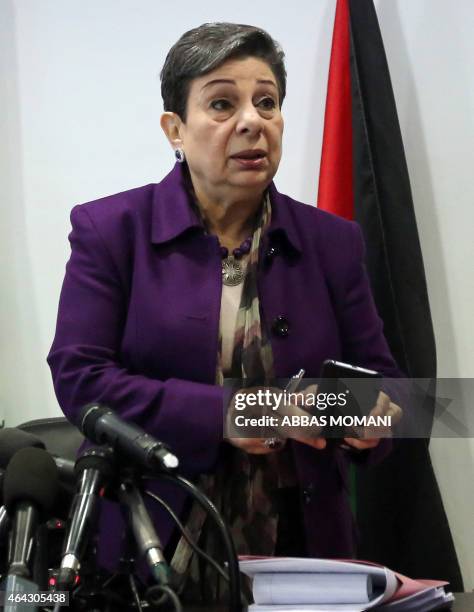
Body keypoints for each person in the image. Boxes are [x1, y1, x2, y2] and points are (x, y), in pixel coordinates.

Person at [48, 22, 402, 594]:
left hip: (302, 549)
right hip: (151, 543)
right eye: (221, 103)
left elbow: (386, 386)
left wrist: (363, 416)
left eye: (267, 102)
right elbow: (81, 379)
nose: (251, 122)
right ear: (175, 129)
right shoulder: (112, 231)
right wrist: (231, 413)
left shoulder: (333, 242)